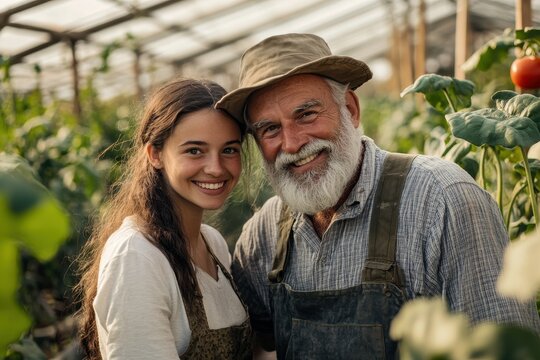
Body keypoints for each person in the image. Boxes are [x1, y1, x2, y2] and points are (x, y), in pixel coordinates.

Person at [215, 33, 540, 359]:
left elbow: (507, 350)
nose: (291, 143)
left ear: (350, 109)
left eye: (307, 114)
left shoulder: (443, 200)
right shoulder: (266, 232)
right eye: (270, 129)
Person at [75, 78, 252, 359]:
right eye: (195, 150)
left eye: (229, 149)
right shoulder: (138, 256)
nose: (216, 168)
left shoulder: (213, 243)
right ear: (155, 154)